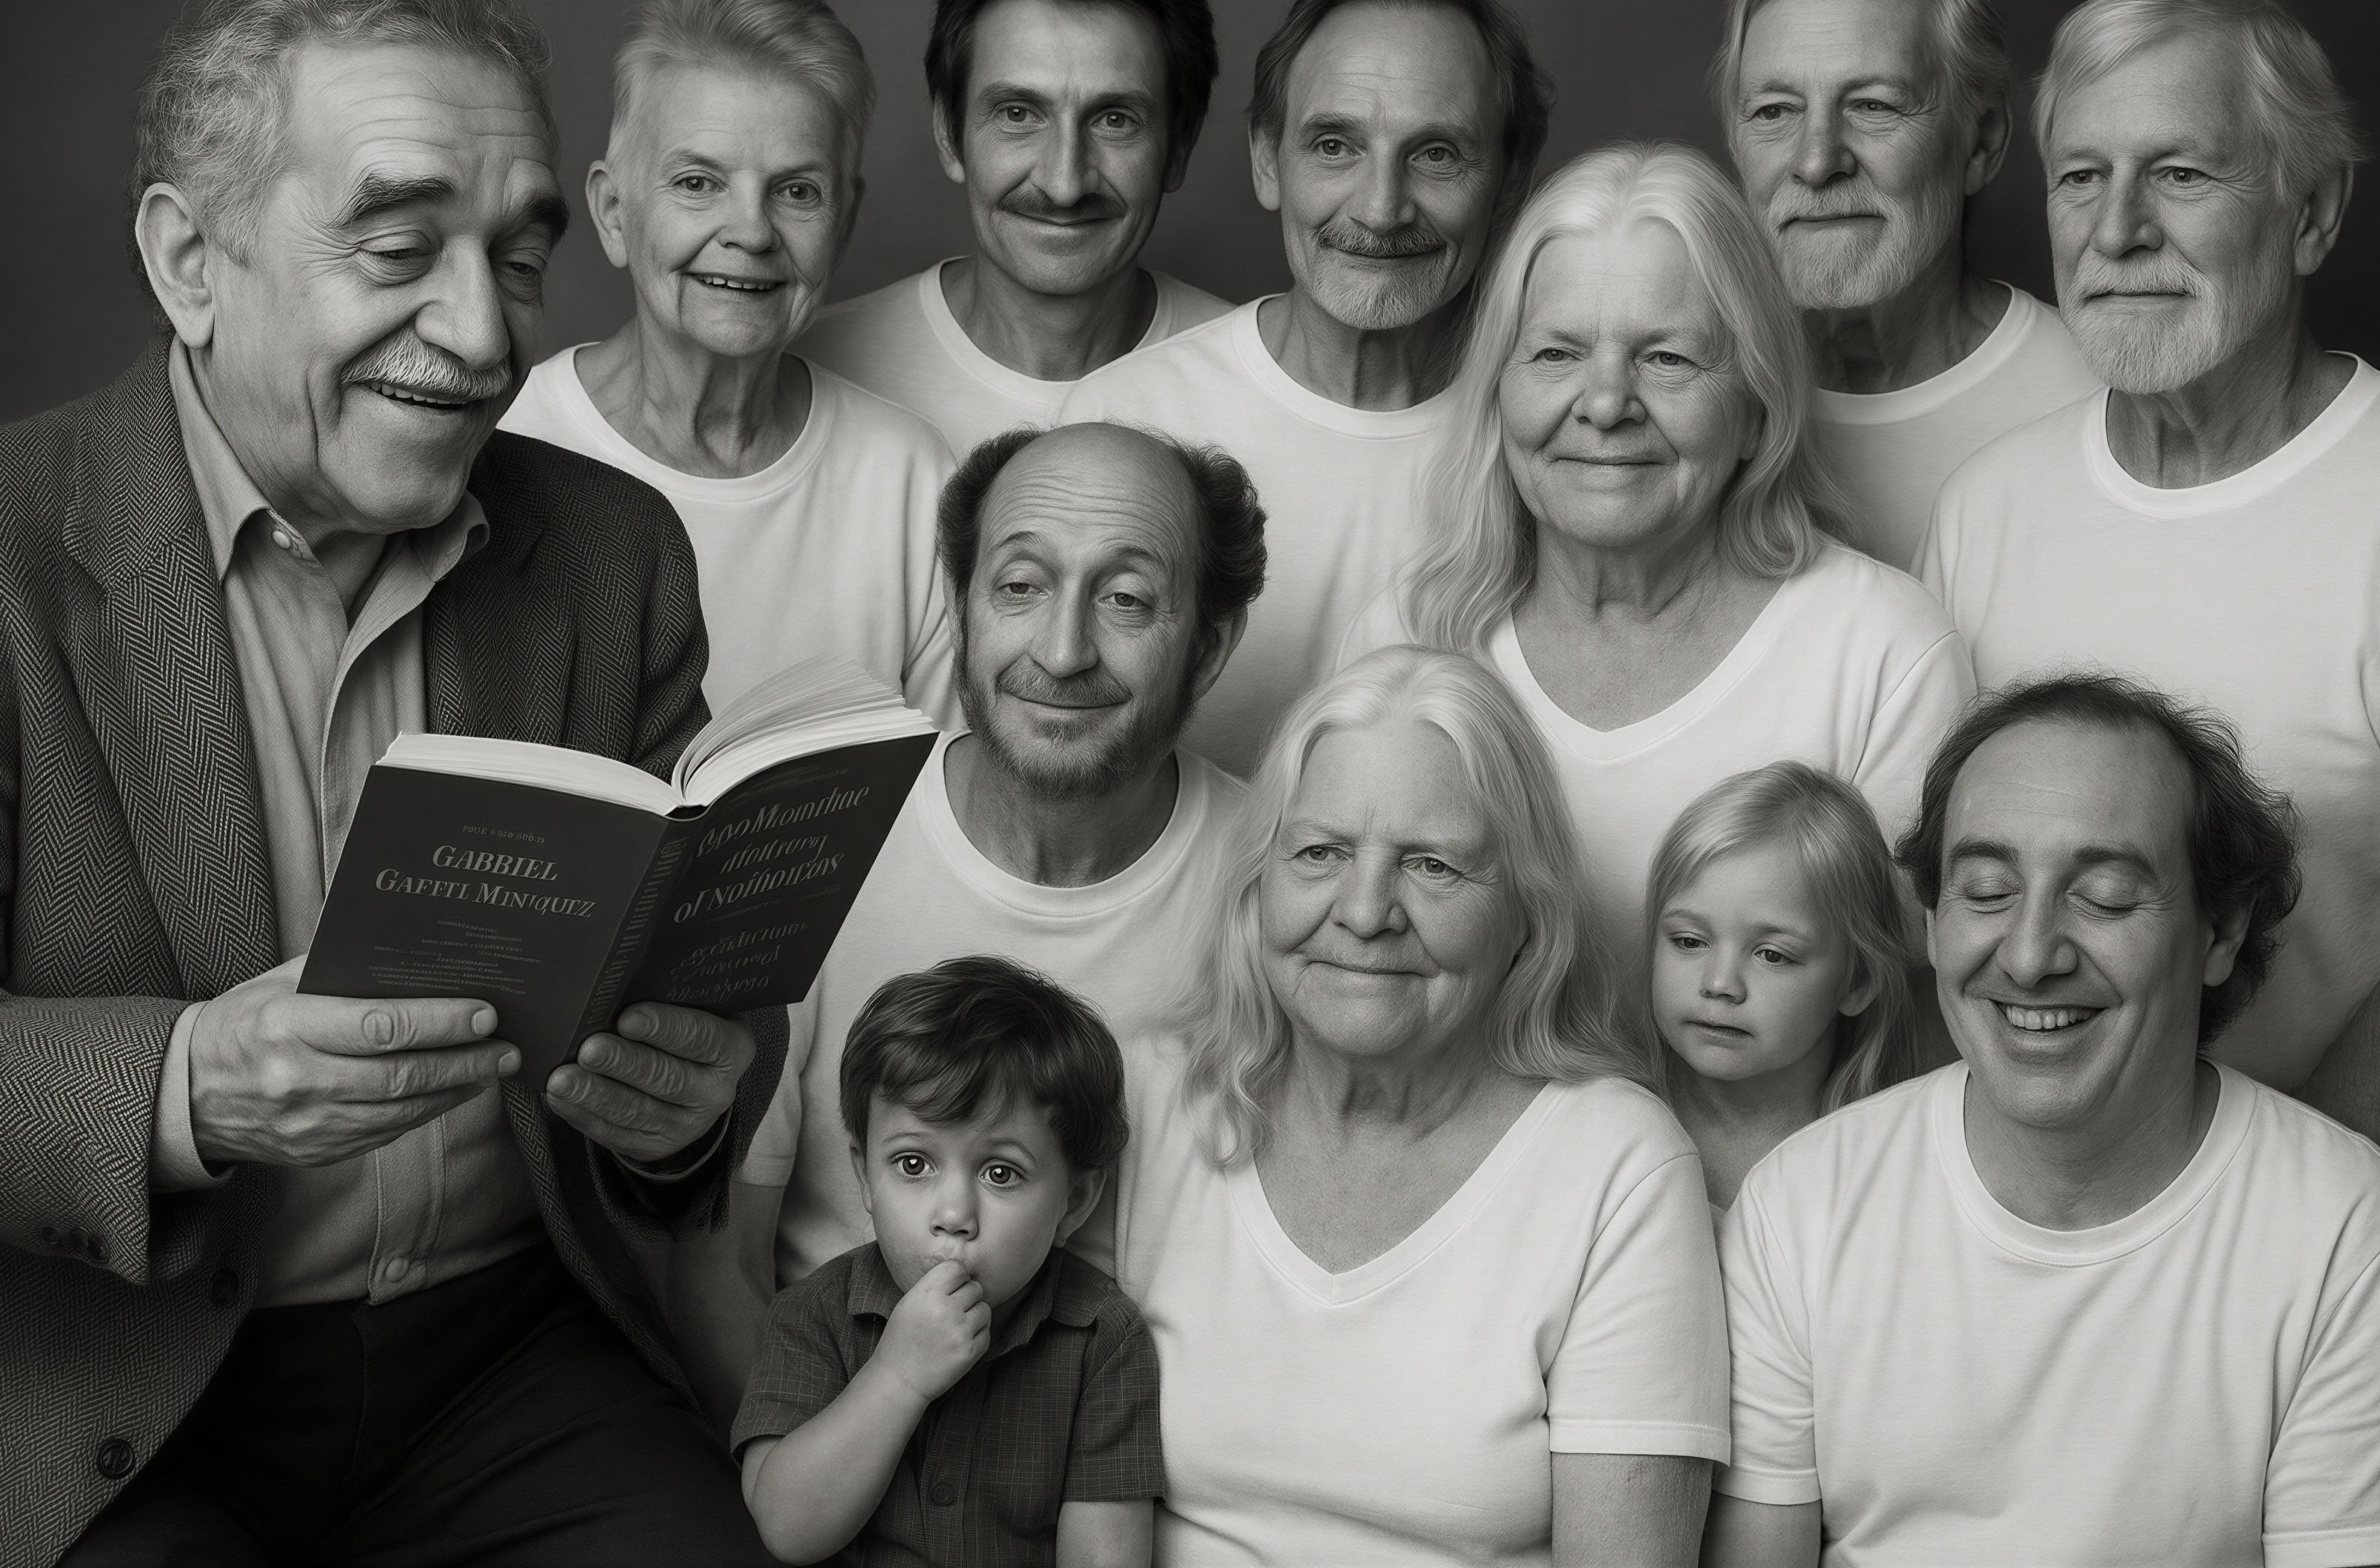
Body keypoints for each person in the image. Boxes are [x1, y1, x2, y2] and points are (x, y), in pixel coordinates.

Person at [0, 0, 778, 1566]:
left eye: (515, 262)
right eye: (398, 246)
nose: (480, 336)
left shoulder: (610, 552)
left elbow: (691, 966)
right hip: (71, 1371)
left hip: (500, 1361)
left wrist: (687, 1097)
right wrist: (186, 1085)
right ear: (191, 260)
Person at [1707, 674, 2380, 1567]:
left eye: (2106, 897)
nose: (2030, 956)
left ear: (2220, 934)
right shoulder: (1799, 1206)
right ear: (1929, 921)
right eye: (1987, 891)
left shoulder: (2350, 1234)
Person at [671, 420, 1262, 1424]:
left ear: (1207, 644)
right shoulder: (815, 841)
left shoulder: (1273, 880)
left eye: (1125, 599)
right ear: (962, 608)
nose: (1064, 652)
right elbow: (718, 1267)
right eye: (1020, 586)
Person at [1102, 646, 1730, 1566]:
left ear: (1525, 909)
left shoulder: (1618, 1169)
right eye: (1318, 853)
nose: (1364, 912)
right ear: (1258, 883)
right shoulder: (1147, 1099)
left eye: (1432, 867)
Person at [1918, 0, 2380, 1144]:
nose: (2119, 230)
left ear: (2313, 212)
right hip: (2033, 1190)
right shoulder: (1990, 504)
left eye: (2180, 174)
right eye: (2082, 177)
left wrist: (2271, 1219)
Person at [1351, 140, 1973, 976]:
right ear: (1497, 393)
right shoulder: (1404, 634)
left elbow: (1895, 1022)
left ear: (1757, 405)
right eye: (1556, 353)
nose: (1605, 405)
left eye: (1667, 358)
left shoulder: (1884, 654)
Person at [1069, 0, 1551, 774]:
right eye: (1335, 146)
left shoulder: (1559, 445)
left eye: (1436, 155)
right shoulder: (1122, 423)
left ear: (1507, 183)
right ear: (1267, 161)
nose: (1380, 209)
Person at [503, 0, 959, 726]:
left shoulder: (910, 483)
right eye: (697, 183)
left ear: (843, 223)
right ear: (615, 214)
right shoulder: (506, 446)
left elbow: (943, 806)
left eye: (797, 192)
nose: (750, 233)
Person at [735, 959, 1162, 1568]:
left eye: (1001, 1173)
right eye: (914, 1165)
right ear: (864, 1176)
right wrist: (897, 1378)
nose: (954, 1214)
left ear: (1073, 1203)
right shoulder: (813, 1315)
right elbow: (787, 1529)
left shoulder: (1102, 1339)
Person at [1716, 0, 2099, 568]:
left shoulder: (2096, 402)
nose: (1816, 162)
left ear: (1980, 144)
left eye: (1873, 106)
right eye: (1774, 112)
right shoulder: (1693, 398)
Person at [795, 0, 1229, 453]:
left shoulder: (1255, 387)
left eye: (1115, 119)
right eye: (1019, 115)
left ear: (1179, 149)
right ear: (950, 136)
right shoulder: (812, 367)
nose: (1064, 183)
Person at [1646, 762, 1919, 1219]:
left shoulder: (1891, 1169)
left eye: (1772, 954)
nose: (1719, 985)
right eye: (1689, 942)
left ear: (1859, 980)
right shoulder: (1598, 1131)